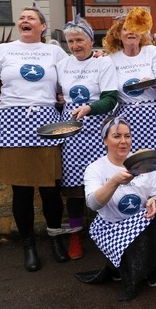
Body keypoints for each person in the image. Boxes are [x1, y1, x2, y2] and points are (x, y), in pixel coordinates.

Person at [0, 5, 69, 272]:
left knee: (51, 188)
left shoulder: (54, 51)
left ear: (42, 27)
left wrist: (95, 60)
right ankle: (28, 245)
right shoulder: (2, 51)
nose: (24, 20)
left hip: (47, 120)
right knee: (22, 190)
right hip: (12, 120)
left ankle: (55, 240)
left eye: (31, 18)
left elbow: (71, 78)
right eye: (22, 18)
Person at [81, 116, 156, 300]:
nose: (124, 141)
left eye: (128, 136)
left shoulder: (142, 163)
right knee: (125, 265)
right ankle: (122, 265)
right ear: (105, 140)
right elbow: (93, 204)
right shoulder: (95, 169)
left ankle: (153, 267)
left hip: (142, 223)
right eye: (117, 136)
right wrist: (115, 181)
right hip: (112, 226)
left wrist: (154, 202)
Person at [56, 15, 118, 259]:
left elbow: (111, 98)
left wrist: (90, 108)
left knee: (105, 183)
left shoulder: (103, 63)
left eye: (79, 39)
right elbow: (55, 93)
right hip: (72, 133)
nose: (75, 45)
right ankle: (75, 235)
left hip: (98, 131)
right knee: (73, 187)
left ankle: (108, 230)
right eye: (70, 41)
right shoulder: (62, 64)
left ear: (91, 40)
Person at [104, 8, 156, 177]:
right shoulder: (111, 59)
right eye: (126, 29)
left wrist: (155, 83)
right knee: (132, 163)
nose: (131, 32)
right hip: (127, 118)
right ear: (117, 34)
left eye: (135, 29)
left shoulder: (152, 52)